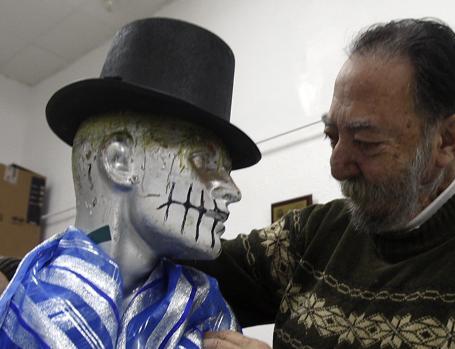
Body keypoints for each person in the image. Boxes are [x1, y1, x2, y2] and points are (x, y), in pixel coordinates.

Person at [195, 19, 455, 348]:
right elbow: (201, 269)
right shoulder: (317, 233)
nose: (338, 165)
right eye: (333, 136)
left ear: (448, 140)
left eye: (365, 143)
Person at [0, 18, 266, 348]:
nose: (232, 190)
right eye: (206, 163)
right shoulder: (33, 299)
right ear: (119, 161)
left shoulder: (202, 308)